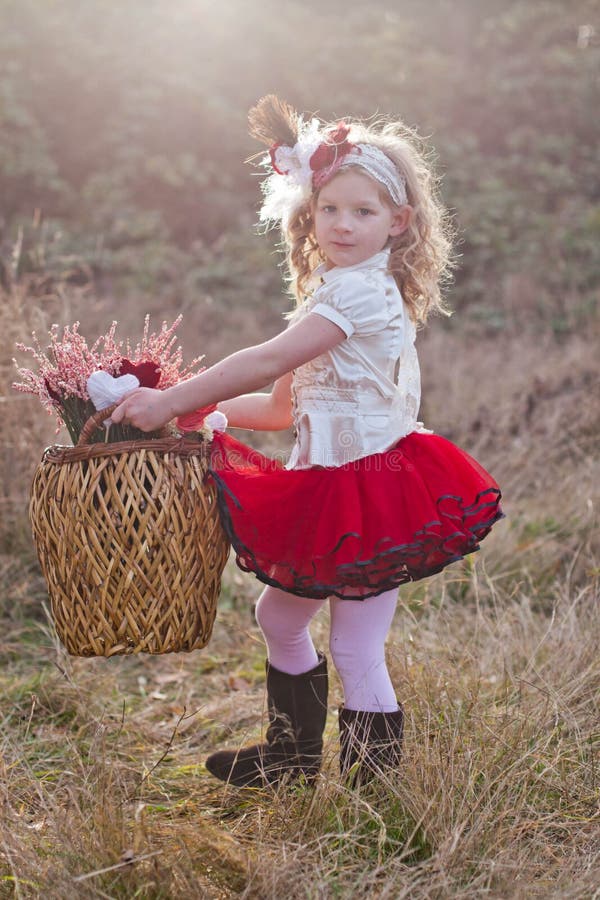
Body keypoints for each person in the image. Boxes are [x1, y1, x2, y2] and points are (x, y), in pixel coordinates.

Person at [112, 95, 503, 788]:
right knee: (278, 615)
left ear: (398, 222)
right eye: (330, 210)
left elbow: (264, 358)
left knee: (356, 648)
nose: (344, 225)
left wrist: (176, 396)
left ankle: (369, 798)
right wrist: (190, 413)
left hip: (372, 492)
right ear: (309, 214)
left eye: (364, 212)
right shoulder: (330, 294)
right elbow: (276, 404)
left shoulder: (359, 297)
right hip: (325, 482)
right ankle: (291, 759)